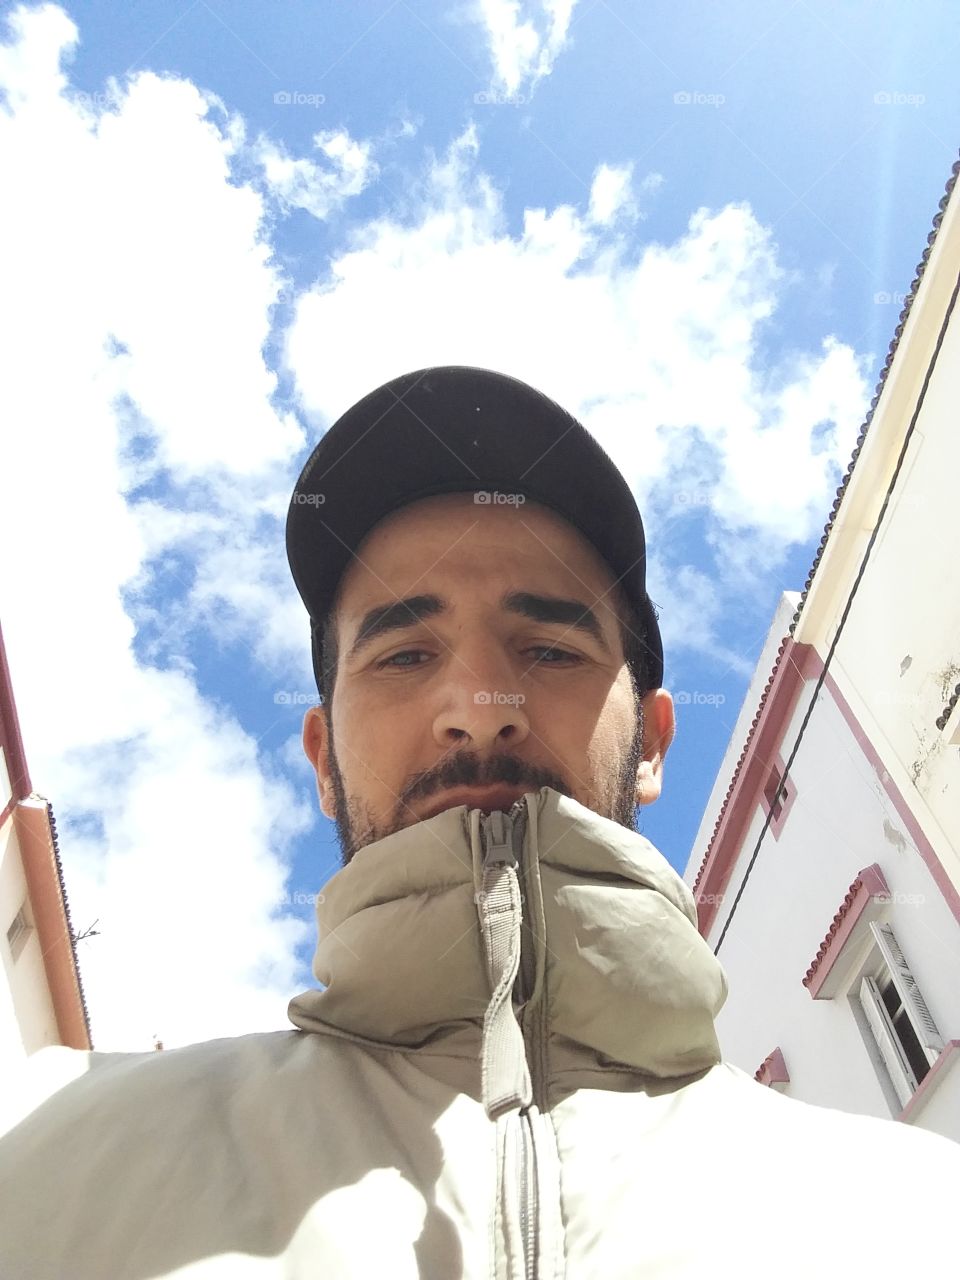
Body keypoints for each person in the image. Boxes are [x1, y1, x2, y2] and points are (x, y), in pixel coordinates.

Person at [1, 366, 957, 1278]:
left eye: (548, 647)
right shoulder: (41, 1147)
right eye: (406, 656)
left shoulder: (921, 1214)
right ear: (324, 759)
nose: (481, 701)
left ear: (656, 743)